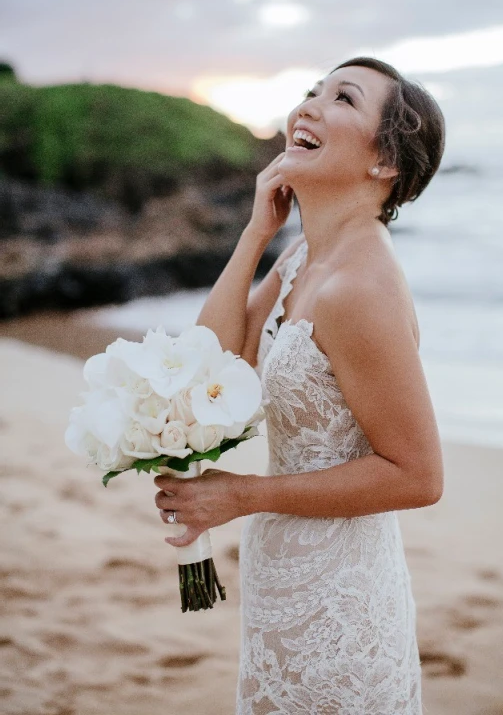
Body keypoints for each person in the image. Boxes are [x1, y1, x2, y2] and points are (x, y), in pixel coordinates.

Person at [154, 56, 446, 713]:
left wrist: (245, 494)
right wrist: (258, 230)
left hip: (342, 602)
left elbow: (417, 475)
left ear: (385, 164)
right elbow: (217, 359)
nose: (307, 106)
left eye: (340, 98)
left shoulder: (358, 288)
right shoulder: (305, 256)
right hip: (283, 574)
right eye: (310, 91)